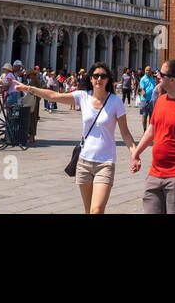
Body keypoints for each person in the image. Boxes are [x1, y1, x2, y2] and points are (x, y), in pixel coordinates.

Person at [20, 61, 136, 213]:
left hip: (105, 163)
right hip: (84, 162)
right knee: (88, 211)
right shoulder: (83, 96)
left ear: (108, 79)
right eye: (96, 76)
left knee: (97, 209)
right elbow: (55, 96)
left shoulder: (116, 101)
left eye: (103, 76)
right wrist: (29, 89)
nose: (99, 79)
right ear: (90, 79)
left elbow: (125, 133)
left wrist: (134, 153)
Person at [130, 60, 175, 214]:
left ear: (172, 80)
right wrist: (136, 153)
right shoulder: (160, 101)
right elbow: (151, 131)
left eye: (161, 74)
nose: (158, 76)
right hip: (154, 174)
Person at [138, 65, 157, 133]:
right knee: (144, 115)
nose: (148, 71)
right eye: (146, 70)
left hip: (153, 100)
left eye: (149, 70)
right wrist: (143, 92)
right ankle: (145, 130)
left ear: (151, 71)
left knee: (151, 116)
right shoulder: (143, 79)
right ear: (145, 71)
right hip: (145, 100)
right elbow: (142, 88)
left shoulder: (154, 78)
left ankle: (150, 130)